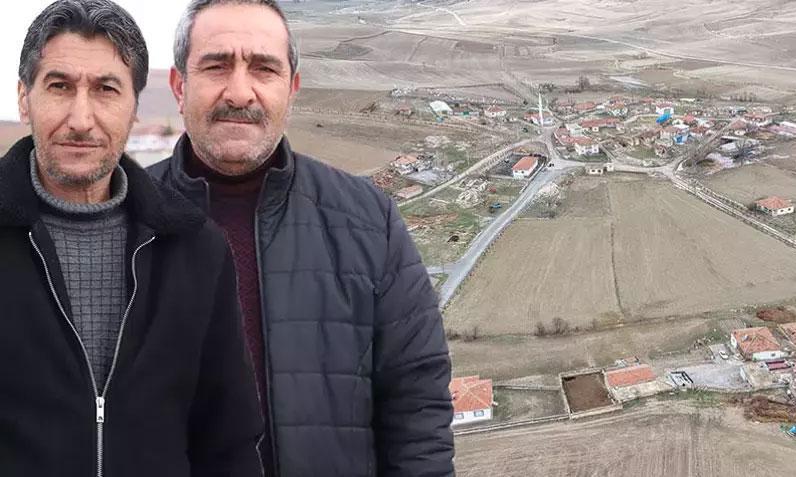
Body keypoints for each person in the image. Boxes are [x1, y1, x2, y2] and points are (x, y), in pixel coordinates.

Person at [148, 0, 455, 475]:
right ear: (178, 85)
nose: (240, 92)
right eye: (216, 66)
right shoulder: (122, 223)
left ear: (291, 89)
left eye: (264, 69)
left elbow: (417, 407)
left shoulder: (369, 222)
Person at [0, 1, 263, 475]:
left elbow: (229, 442)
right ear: (24, 98)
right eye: (60, 87)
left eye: (106, 89)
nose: (81, 119)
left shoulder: (196, 250)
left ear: (134, 107)